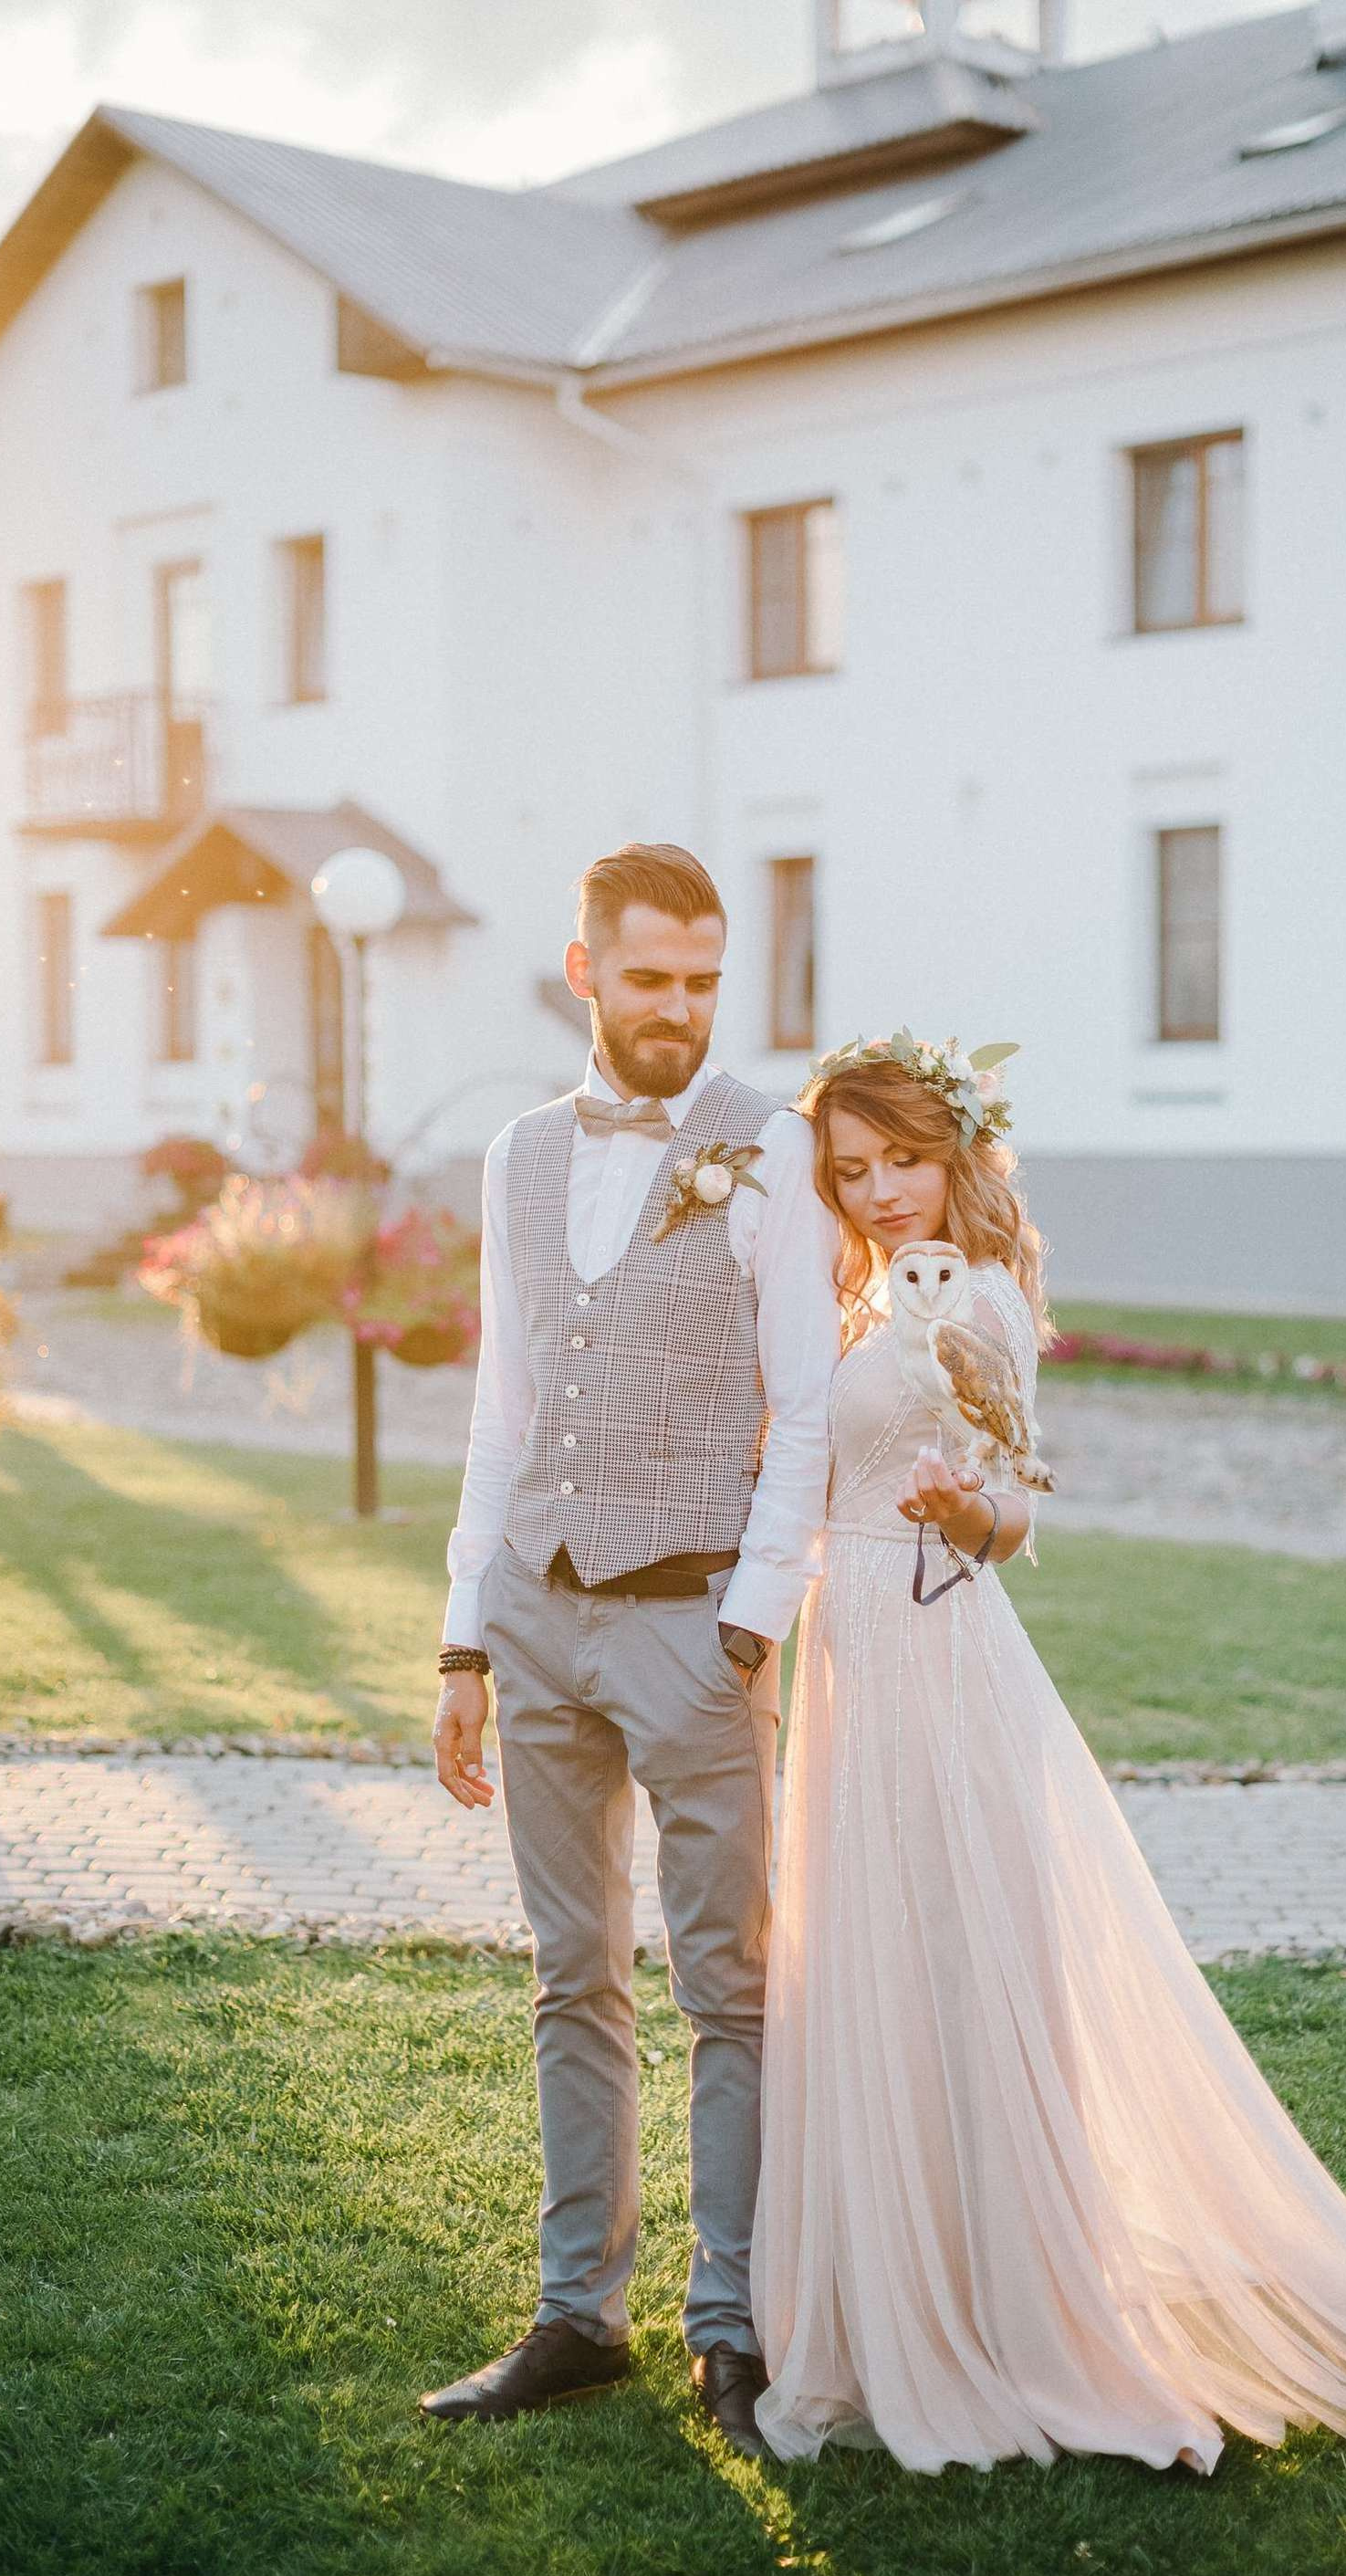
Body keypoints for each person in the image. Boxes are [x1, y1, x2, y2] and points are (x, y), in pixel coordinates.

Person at [750, 1033, 1346, 2475]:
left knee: (959, 1956)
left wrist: (962, 1516)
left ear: (955, 1157)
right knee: (881, 1956)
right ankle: (902, 2282)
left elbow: (1019, 1509)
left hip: (933, 1654)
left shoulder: (976, 1301)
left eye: (904, 1162)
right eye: (853, 1169)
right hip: (851, 1658)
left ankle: (1003, 2303)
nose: (880, 1191)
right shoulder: (871, 1293)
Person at [423, 843, 841, 2456]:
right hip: (536, 1613)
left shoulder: (772, 1146)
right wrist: (465, 1640)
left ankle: (729, 2329)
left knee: (729, 1988)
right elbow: (506, 1403)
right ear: (586, 971)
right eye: (651, 978)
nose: (679, 1009)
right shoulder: (521, 1154)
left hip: (695, 1627)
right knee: (571, 1975)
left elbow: (806, 1403)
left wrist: (750, 1622)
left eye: (703, 982)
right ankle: (574, 2318)